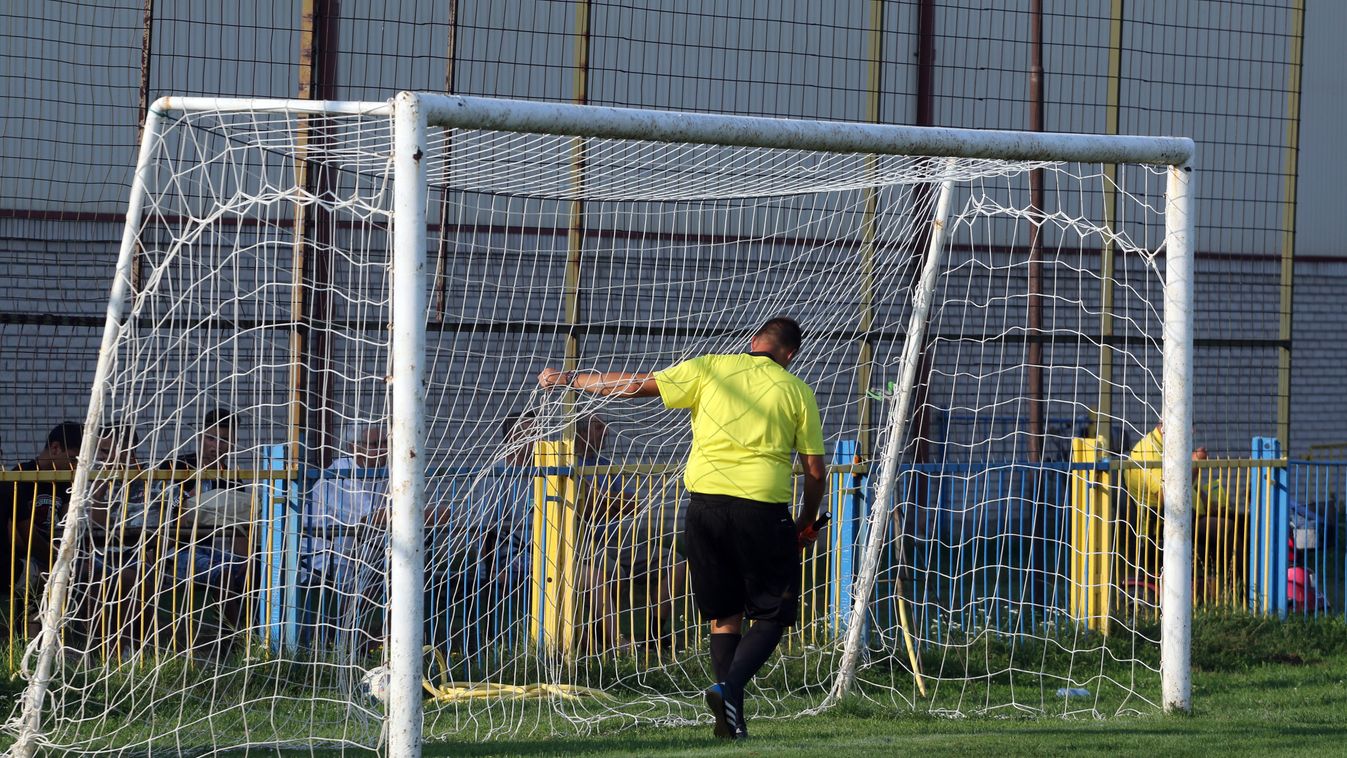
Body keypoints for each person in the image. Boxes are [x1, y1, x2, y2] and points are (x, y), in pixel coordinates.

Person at [538, 316, 826, 740]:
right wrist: (805, 520)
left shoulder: (710, 368)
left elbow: (636, 385)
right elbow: (815, 470)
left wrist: (571, 379)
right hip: (762, 510)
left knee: (724, 617)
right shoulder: (796, 391)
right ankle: (728, 687)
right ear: (790, 354)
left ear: (752, 341)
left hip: (704, 509)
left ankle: (731, 720)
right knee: (771, 616)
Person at [304, 421, 390, 652]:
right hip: (326, 552)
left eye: (384, 443)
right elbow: (367, 519)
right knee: (358, 578)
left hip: (367, 551)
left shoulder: (388, 472)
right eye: (374, 444)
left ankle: (390, 639)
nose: (382, 449)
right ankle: (345, 639)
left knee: (404, 570)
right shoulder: (338, 475)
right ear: (354, 448)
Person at [3, 421, 82, 636]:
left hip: (48, 550)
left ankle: (56, 638)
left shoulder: (65, 479)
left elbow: (68, 521)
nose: (76, 467)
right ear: (55, 448)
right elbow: (22, 534)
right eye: (74, 459)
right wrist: (54, 559)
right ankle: (33, 639)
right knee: (46, 579)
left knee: (78, 574)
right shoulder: (22, 475)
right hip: (23, 554)